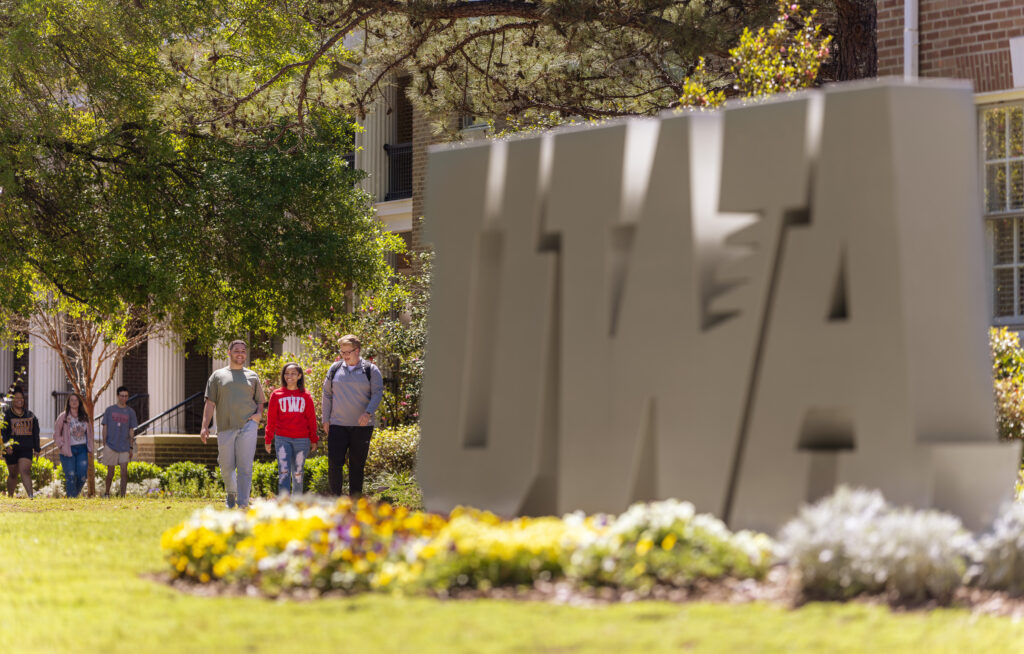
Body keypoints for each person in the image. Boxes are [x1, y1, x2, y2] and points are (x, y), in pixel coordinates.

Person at [199, 340, 264, 509]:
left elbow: (260, 401)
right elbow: (210, 403)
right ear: (229, 352)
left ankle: (243, 503)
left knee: (245, 466)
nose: (240, 354)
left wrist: (258, 416)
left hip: (248, 425)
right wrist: (205, 426)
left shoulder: (252, 376)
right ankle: (231, 492)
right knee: (226, 466)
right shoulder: (218, 376)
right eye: (236, 351)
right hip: (225, 427)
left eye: (243, 351)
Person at [322, 334, 383, 497]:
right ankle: (336, 500)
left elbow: (377, 393)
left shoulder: (371, 370)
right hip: (337, 425)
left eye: (348, 352)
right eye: (342, 352)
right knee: (335, 464)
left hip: (362, 427)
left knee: (357, 465)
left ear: (358, 350)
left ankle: (355, 502)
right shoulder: (334, 369)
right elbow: (327, 394)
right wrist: (325, 419)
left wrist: (368, 412)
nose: (345, 355)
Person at [265, 363, 318, 495]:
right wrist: (268, 439)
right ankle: (284, 504)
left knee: (298, 472)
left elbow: (311, 419)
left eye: (293, 373)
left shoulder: (306, 395)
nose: (290, 376)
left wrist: (313, 439)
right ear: (283, 376)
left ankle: (296, 503)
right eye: (287, 373)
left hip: (302, 440)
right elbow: (271, 419)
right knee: (283, 471)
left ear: (299, 376)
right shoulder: (276, 395)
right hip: (282, 439)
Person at [2, 386, 40, 498]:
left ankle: (31, 496)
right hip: (11, 449)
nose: (20, 400)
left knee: (25, 471)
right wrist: (6, 446)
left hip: (26, 448)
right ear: (12, 400)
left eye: (21, 398)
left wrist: (37, 448)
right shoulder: (7, 415)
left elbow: (35, 433)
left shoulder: (31, 416)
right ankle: (10, 496)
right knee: (13, 474)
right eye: (16, 398)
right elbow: (3, 432)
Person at [101, 386, 139, 497]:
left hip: (125, 446)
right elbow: (105, 427)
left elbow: (131, 430)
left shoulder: (130, 412)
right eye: (122, 396)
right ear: (118, 396)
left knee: (124, 472)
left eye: (126, 396)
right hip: (111, 445)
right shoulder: (110, 410)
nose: (124, 398)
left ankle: (122, 496)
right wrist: (104, 443)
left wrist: (131, 447)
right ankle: (107, 493)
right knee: (110, 473)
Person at [54, 392, 93, 498]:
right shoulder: (63, 417)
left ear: (79, 402)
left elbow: (89, 433)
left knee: (82, 476)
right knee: (70, 476)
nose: (74, 402)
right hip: (68, 450)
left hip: (82, 449)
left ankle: (73, 496)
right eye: (72, 400)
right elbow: (57, 433)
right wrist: (61, 445)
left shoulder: (84, 417)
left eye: (76, 400)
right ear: (69, 402)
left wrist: (89, 446)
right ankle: (72, 499)